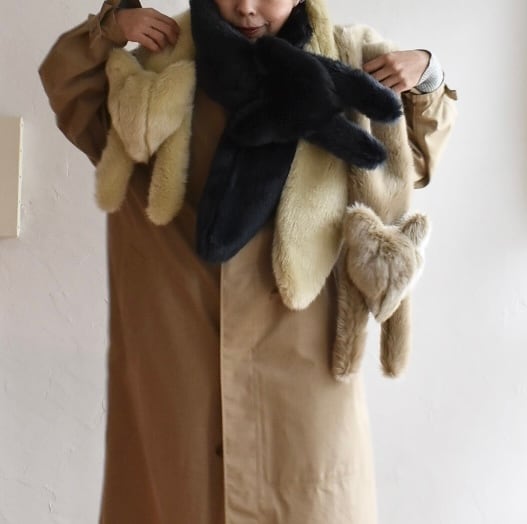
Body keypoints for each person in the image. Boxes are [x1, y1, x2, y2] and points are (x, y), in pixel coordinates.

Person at [39, 0, 457, 522]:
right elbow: (72, 91)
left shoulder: (347, 65)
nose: (246, 7)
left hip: (303, 387)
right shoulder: (158, 74)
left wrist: (428, 75)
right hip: (179, 378)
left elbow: (410, 160)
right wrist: (113, 25)